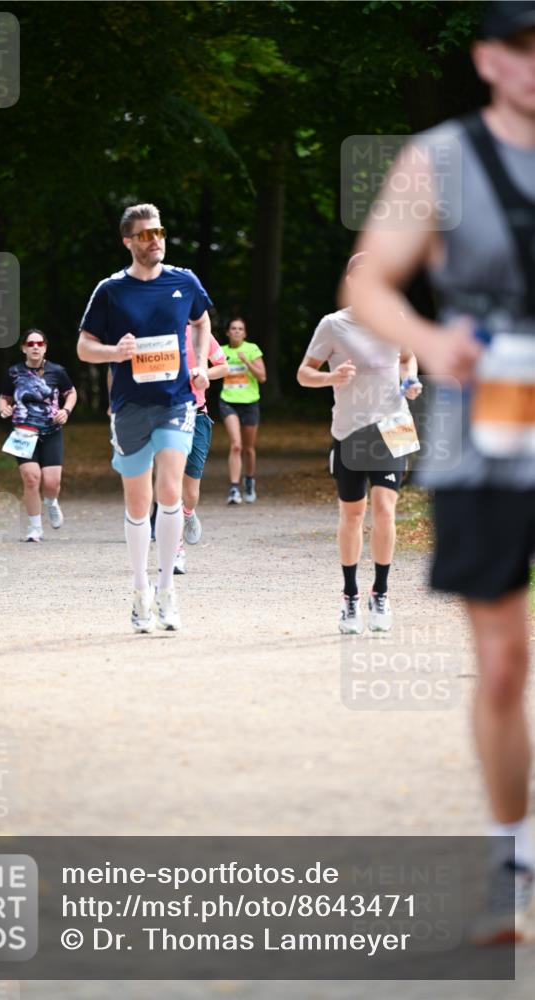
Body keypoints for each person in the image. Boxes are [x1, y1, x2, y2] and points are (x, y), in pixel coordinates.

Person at [346, 0, 535, 938]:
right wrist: (430, 339)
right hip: (480, 427)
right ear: (487, 59)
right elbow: (367, 283)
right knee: (503, 664)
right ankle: (515, 862)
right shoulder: (441, 160)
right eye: (520, 47)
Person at [77, 203, 212, 632]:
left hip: (176, 401)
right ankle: (140, 592)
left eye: (158, 232)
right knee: (138, 504)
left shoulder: (184, 280)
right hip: (131, 407)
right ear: (128, 242)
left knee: (170, 492)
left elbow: (202, 320)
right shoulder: (110, 290)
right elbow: (84, 346)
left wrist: (200, 363)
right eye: (144, 235)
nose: (154, 240)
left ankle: (168, 590)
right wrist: (114, 352)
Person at [297, 254, 422, 633]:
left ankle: (380, 593)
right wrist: (331, 378)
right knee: (353, 514)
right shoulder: (333, 325)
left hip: (393, 424)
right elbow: (304, 374)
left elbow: (408, 357)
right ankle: (350, 596)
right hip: (350, 430)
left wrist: (410, 380)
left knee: (386, 507)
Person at [0, 329, 77, 542]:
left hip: (51, 431)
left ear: (45, 347)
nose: (35, 347)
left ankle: (51, 502)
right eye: (30, 343)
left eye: (39, 343)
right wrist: (4, 409)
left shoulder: (57, 371)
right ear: (23, 348)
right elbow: (4, 397)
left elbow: (71, 393)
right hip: (23, 432)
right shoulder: (13, 372)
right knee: (32, 478)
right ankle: (35, 528)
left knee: (52, 482)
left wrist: (66, 411)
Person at [173, 324, 228, 575]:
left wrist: (202, 372)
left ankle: (188, 512)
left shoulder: (198, 333)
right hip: (166, 417)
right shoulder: (155, 332)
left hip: (197, 417)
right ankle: (176, 550)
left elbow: (223, 365)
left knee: (190, 492)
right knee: (170, 486)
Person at [219, 317, 267, 504]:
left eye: (240, 329)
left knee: (248, 448)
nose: (237, 331)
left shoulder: (252, 349)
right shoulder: (222, 352)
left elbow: (262, 377)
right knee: (236, 445)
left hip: (250, 402)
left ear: (245, 333)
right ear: (228, 332)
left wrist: (246, 361)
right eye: (233, 328)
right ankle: (233, 489)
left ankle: (249, 480)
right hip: (228, 401)